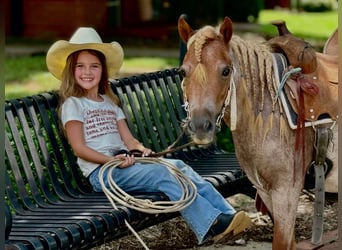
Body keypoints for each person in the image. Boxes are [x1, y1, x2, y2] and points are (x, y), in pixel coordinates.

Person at [46, 27, 251, 245]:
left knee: (180, 167)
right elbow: (79, 148)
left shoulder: (109, 103)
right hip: (102, 172)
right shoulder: (73, 104)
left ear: (102, 70)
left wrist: (140, 149)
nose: (87, 72)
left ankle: (226, 214)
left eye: (94, 66)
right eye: (80, 66)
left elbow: (128, 140)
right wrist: (111, 161)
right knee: (162, 175)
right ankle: (211, 225)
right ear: (71, 70)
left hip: (124, 163)